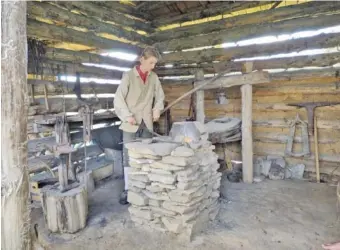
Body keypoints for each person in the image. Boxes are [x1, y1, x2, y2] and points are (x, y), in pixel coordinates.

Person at [114, 46, 165, 205]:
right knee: (129, 157)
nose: (153, 66)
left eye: (154, 63)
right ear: (142, 59)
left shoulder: (154, 77)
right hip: (130, 123)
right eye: (151, 62)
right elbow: (118, 99)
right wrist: (127, 116)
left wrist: (157, 109)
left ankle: (146, 187)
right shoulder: (128, 76)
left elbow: (160, 96)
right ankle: (129, 189)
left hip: (147, 122)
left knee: (147, 155)